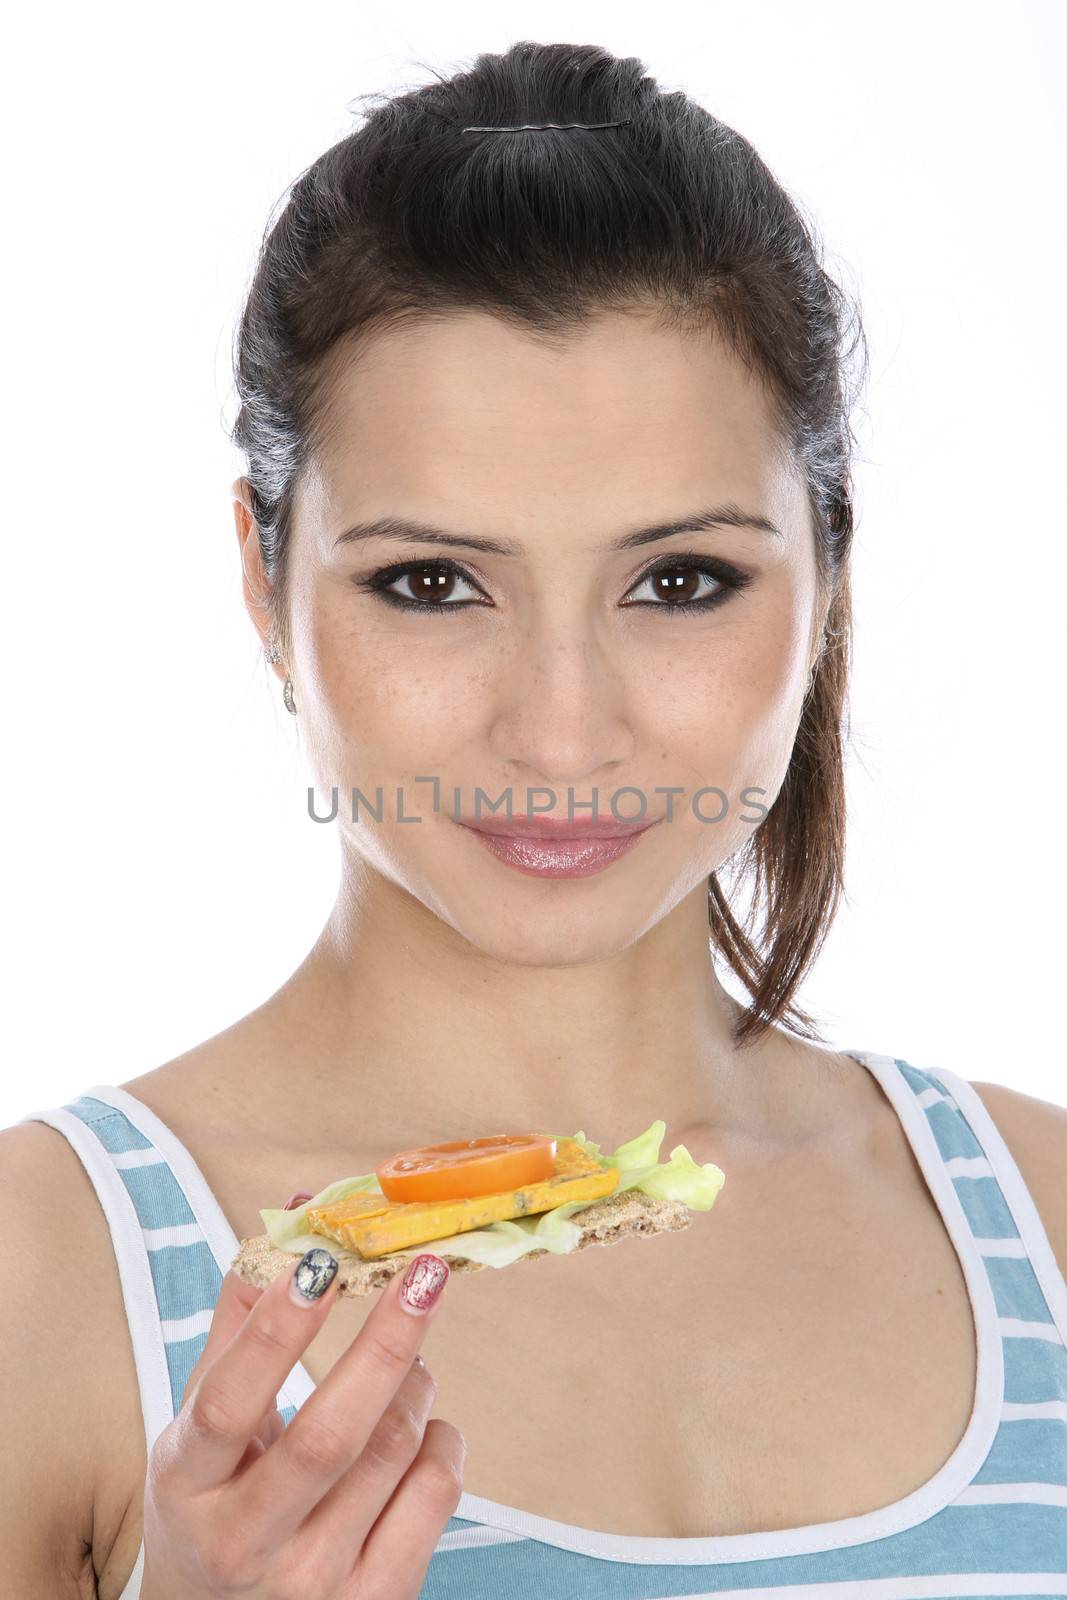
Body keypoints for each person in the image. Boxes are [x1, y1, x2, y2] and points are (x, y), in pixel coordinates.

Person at [4, 37, 1067, 1599]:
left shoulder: (1045, 1226)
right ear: (262, 575)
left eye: (679, 581)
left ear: (829, 575)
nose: (561, 733)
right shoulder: (44, 1283)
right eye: (430, 584)